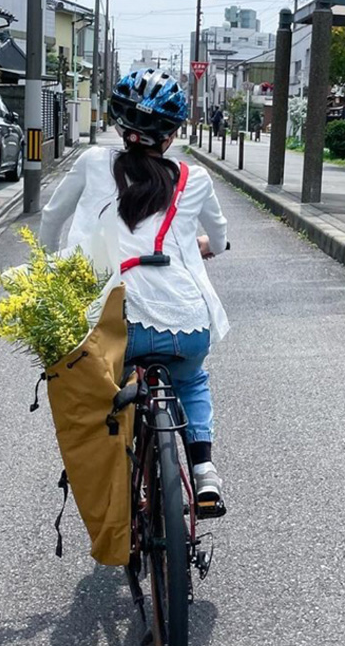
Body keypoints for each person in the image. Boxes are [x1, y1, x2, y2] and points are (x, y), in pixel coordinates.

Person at [39, 68, 229, 504]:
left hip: (112, 322)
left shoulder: (92, 162)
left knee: (108, 395)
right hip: (187, 324)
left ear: (119, 124)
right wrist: (203, 245)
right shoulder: (194, 178)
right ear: (172, 133)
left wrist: (50, 268)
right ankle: (204, 471)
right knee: (192, 381)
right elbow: (218, 239)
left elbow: (51, 220)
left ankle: (123, 482)